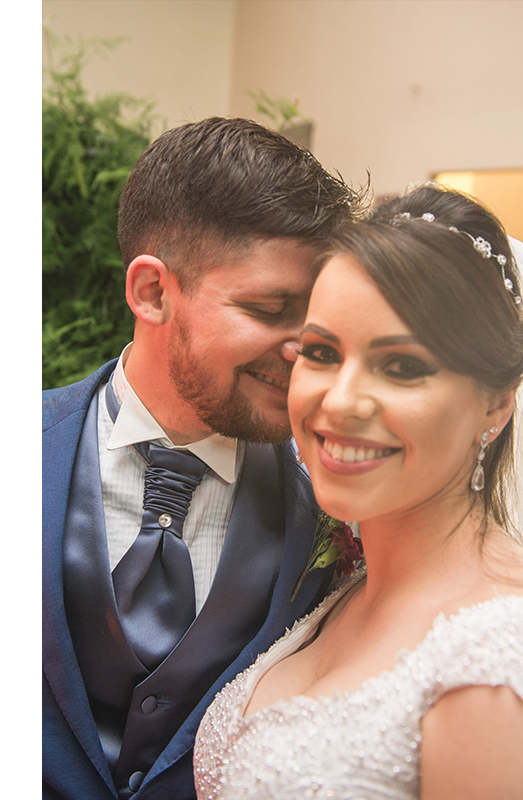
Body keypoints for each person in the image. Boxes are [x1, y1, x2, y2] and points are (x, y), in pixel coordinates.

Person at [192, 184, 523, 799]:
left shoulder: (510, 668)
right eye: (320, 353)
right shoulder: (346, 592)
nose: (341, 401)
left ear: (496, 405)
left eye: (401, 367)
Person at [43, 117, 362, 800]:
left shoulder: (342, 505)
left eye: (315, 317)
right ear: (152, 292)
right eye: (269, 308)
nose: (303, 347)